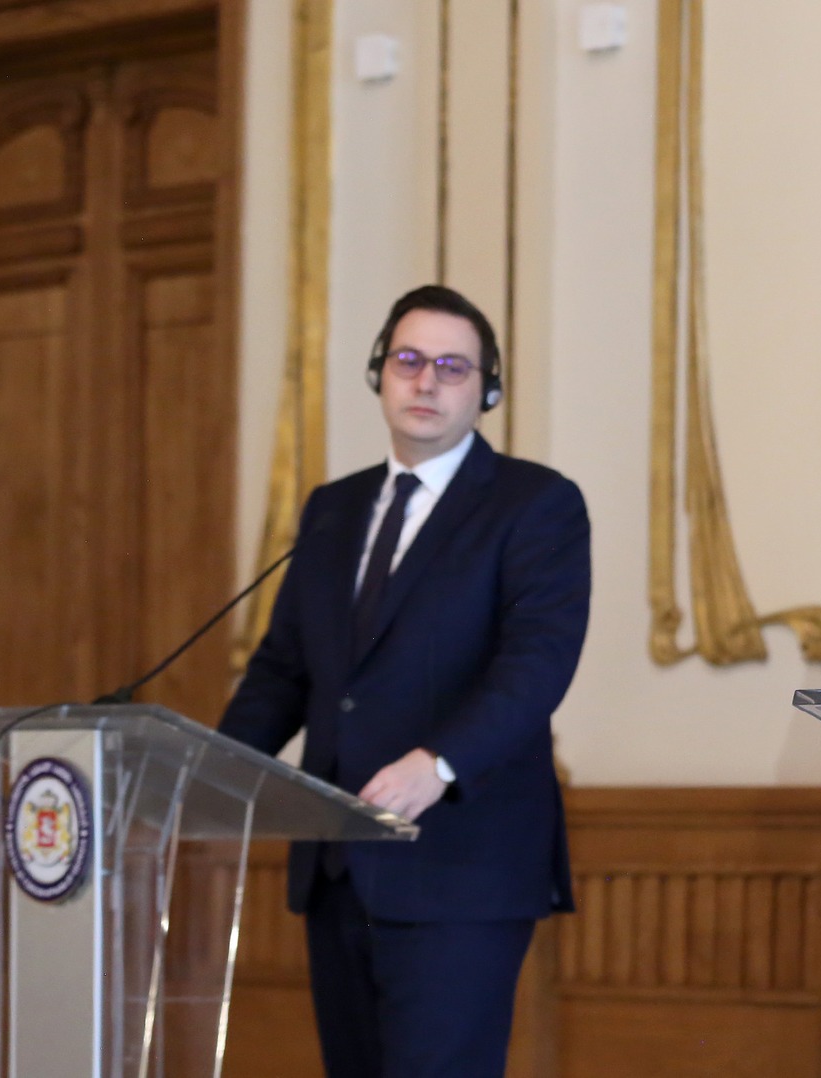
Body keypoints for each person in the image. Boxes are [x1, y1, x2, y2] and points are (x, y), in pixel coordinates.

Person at [220, 284, 590, 1078]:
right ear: (379, 374)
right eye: (409, 360)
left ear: (488, 390)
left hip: (459, 864)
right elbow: (284, 671)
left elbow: (536, 667)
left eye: (453, 367)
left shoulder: (535, 505)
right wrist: (205, 773)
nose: (427, 381)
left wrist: (440, 762)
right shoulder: (333, 509)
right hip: (337, 865)